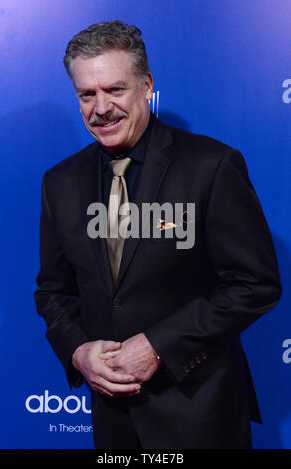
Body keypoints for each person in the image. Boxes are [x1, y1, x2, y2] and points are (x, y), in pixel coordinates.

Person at [34, 20, 281, 449]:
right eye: (87, 95)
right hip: (112, 421)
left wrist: (159, 345)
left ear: (146, 85)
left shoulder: (212, 166)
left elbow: (254, 284)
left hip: (199, 413)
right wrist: (77, 351)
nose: (101, 108)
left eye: (115, 89)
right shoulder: (60, 182)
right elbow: (53, 291)